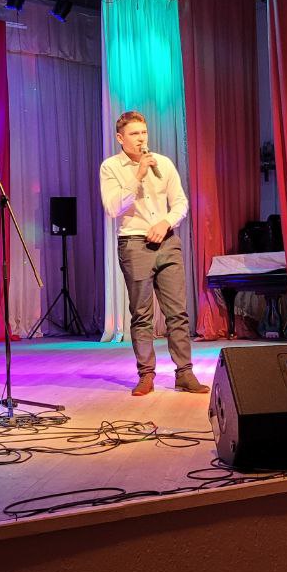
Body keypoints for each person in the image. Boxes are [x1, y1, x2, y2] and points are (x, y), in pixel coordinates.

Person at [99, 110, 209, 397]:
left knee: (177, 312)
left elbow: (181, 202)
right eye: (134, 134)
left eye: (143, 133)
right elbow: (113, 208)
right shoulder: (111, 167)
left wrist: (166, 222)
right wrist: (137, 175)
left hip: (167, 242)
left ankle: (184, 373)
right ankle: (146, 375)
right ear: (120, 138)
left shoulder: (164, 163)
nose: (141, 139)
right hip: (134, 244)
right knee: (142, 314)